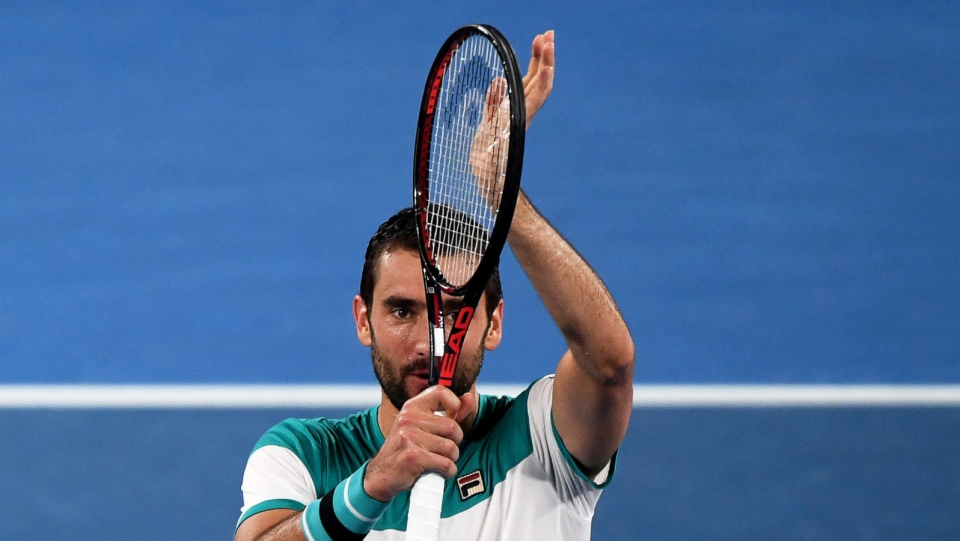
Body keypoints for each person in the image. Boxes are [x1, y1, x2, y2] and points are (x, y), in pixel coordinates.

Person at [235, 30, 634, 541]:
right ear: (364, 320)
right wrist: (373, 483)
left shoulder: (540, 440)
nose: (429, 340)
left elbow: (609, 364)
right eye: (403, 311)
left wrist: (500, 195)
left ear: (494, 324)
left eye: (453, 309)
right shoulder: (305, 455)